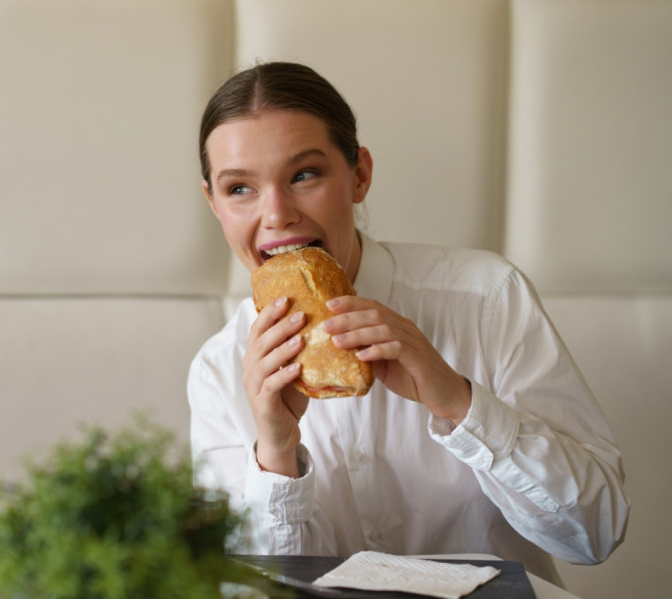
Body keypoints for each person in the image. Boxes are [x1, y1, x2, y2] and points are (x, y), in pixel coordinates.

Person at [187, 62, 629, 584]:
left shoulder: (486, 297)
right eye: (240, 188)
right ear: (213, 203)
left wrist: (460, 402)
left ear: (359, 175)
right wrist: (276, 453)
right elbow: (244, 590)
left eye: (304, 175)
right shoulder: (219, 368)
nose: (277, 213)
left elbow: (594, 534)